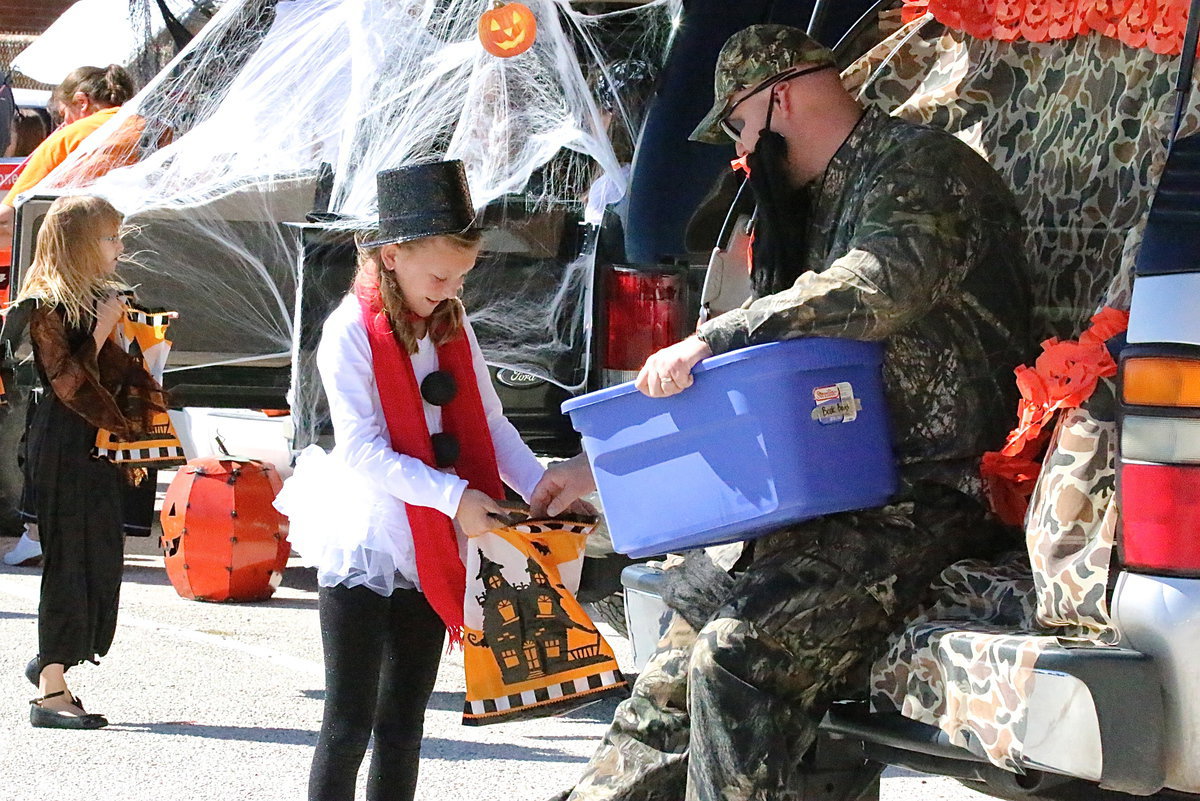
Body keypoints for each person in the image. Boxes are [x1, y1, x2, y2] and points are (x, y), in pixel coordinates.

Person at [533, 24, 1033, 801]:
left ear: (782, 96)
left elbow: (871, 287)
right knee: (670, 671)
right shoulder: (819, 199)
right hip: (836, 491)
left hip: (931, 498)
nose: (739, 151)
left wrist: (714, 335)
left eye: (738, 126)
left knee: (735, 656)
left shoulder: (919, 174)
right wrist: (595, 465)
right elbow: (758, 389)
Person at [273, 160, 547, 801]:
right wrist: (455, 498)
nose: (451, 290)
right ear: (392, 255)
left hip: (432, 538)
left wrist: (539, 488)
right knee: (348, 724)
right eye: (440, 275)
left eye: (461, 278)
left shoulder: (452, 322)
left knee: (405, 723)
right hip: (368, 536)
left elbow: (491, 423)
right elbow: (363, 451)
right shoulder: (348, 331)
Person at [12, 194, 169, 729]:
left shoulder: (107, 296)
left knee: (102, 556)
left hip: (105, 444)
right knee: (69, 559)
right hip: (64, 443)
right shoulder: (43, 305)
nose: (119, 249)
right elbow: (67, 384)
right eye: (109, 238)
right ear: (80, 243)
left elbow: (119, 376)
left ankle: (56, 657)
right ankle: (51, 693)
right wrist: (103, 331)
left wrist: (142, 339)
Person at [0, 65, 136, 242]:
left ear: (82, 102)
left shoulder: (69, 138)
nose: (63, 123)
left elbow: (7, 218)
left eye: (63, 114)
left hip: (82, 250)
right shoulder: (153, 129)